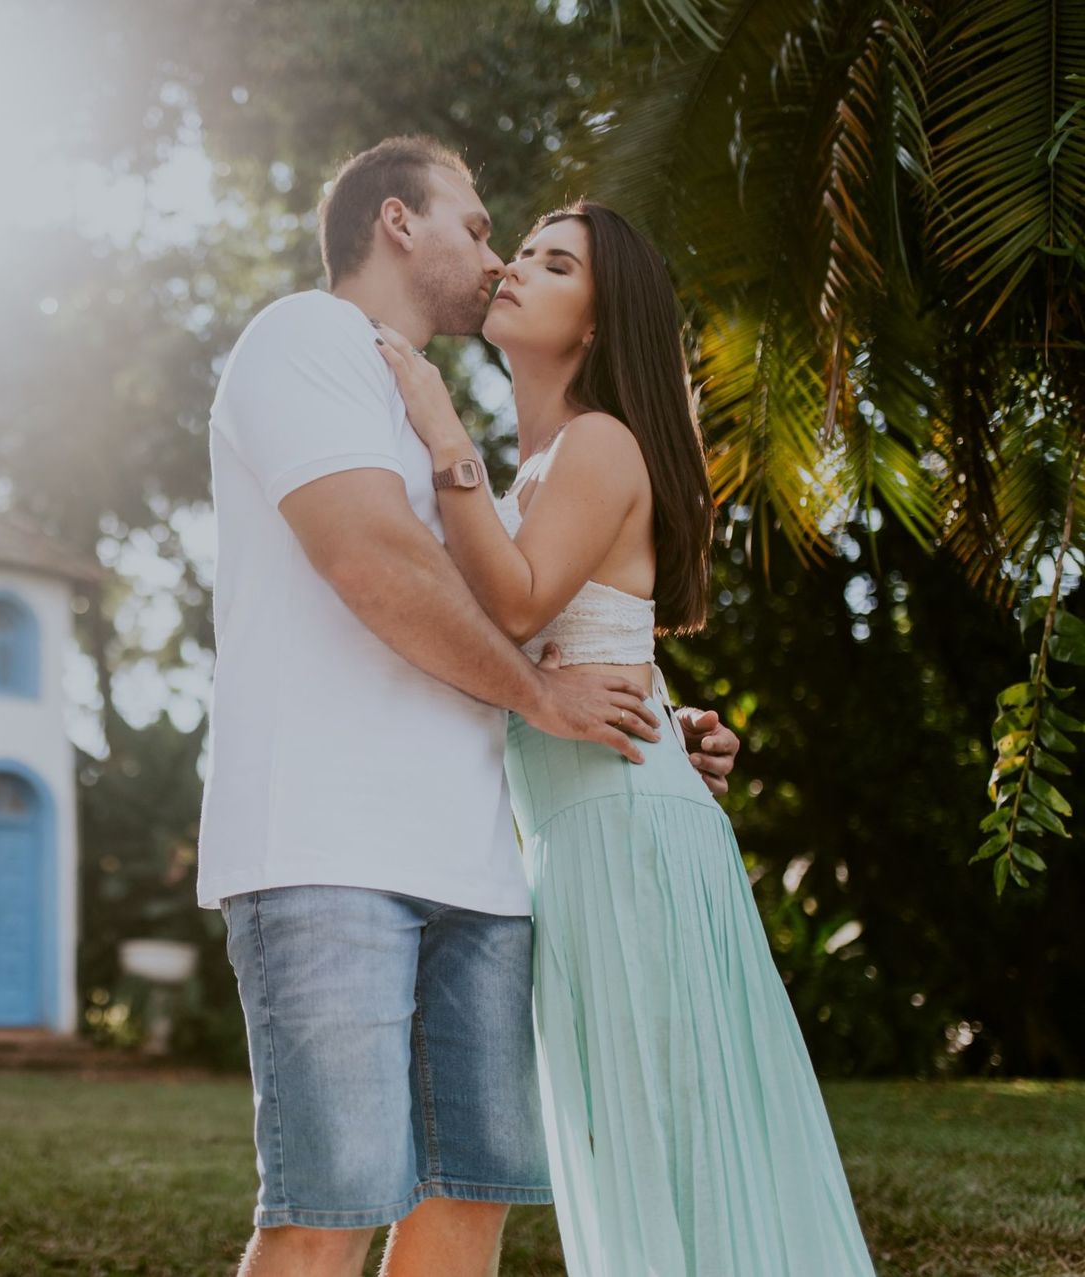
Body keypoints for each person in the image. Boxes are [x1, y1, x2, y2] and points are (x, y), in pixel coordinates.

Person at [198, 134, 741, 1277]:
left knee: (465, 1206)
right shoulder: (308, 337)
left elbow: (517, 613)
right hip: (325, 849)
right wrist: (543, 692)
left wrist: (648, 720)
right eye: (483, 227)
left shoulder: (429, 416)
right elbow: (376, 562)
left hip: (480, 872)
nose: (496, 258)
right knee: (326, 1209)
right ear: (399, 221)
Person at [372, 201, 875, 1274]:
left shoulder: (597, 442)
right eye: (530, 250)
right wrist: (678, 706)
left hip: (625, 829)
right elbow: (579, 629)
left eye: (557, 264)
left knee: (671, 1136)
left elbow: (512, 609)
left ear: (597, 327)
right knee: (636, 1142)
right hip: (585, 829)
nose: (517, 267)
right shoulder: (541, 472)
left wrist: (438, 423)